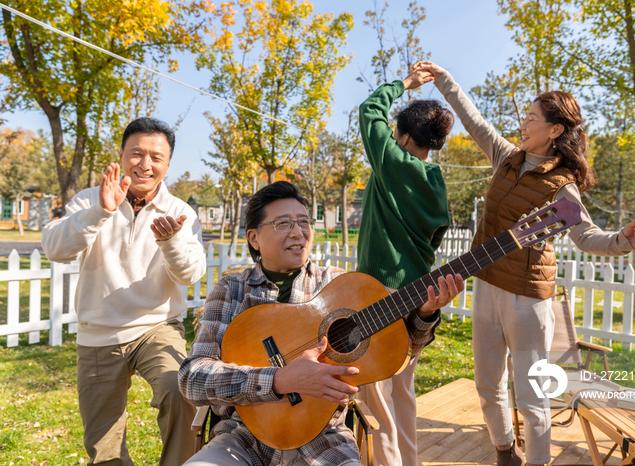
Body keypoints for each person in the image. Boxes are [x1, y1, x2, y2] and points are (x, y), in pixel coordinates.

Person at [414, 61, 635, 466]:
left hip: (528, 299)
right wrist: (445, 81)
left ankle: (539, 461)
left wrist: (621, 241)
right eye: (524, 116)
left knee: (531, 393)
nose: (522, 123)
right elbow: (473, 120)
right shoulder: (506, 157)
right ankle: (505, 451)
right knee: (488, 385)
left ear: (555, 130)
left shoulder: (563, 185)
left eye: (530, 118)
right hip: (486, 284)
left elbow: (585, 236)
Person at [178, 180, 464, 466]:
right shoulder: (231, 290)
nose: (298, 232)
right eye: (283, 224)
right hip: (243, 437)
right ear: (254, 238)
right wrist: (279, 379)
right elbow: (192, 378)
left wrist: (423, 314)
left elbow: (399, 350)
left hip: (326, 442)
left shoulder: (338, 285)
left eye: (304, 222)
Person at [42, 117, 206, 466]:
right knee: (103, 445)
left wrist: (170, 242)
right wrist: (101, 211)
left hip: (157, 327)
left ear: (168, 163)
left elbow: (190, 274)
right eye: (137, 153)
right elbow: (55, 248)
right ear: (121, 154)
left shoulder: (180, 212)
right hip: (98, 333)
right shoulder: (90, 200)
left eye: (156, 157)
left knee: (180, 391)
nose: (146, 164)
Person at [354, 69, 454, 466]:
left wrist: (405, 85)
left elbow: (369, 109)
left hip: (379, 295)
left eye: (397, 135)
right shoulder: (436, 181)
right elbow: (434, 238)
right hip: (418, 297)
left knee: (376, 400)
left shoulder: (392, 161)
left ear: (406, 137)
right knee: (402, 394)